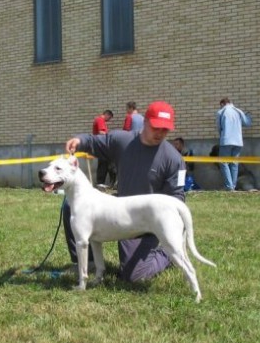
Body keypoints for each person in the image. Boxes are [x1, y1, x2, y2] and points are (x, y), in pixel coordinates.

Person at [64, 101, 186, 282]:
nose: (160, 133)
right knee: (71, 206)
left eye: (165, 130)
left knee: (134, 276)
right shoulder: (123, 141)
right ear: (145, 122)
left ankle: (167, 253)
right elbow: (96, 142)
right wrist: (79, 140)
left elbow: (177, 197)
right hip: (120, 209)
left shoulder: (174, 159)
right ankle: (86, 262)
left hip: (149, 220)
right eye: (156, 127)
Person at [215, 97, 252, 191]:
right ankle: (233, 186)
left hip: (226, 140)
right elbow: (247, 123)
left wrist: (221, 136)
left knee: (223, 162)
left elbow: (219, 127)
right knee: (234, 164)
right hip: (238, 141)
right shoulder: (238, 111)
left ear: (222, 104)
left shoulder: (221, 112)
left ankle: (229, 186)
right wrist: (248, 116)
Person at [92, 109, 114, 187]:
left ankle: (101, 182)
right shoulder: (100, 120)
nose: (109, 120)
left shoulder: (99, 120)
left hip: (100, 144)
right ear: (107, 115)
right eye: (109, 118)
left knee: (104, 163)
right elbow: (102, 133)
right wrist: (110, 136)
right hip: (101, 145)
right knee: (103, 163)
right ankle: (100, 182)